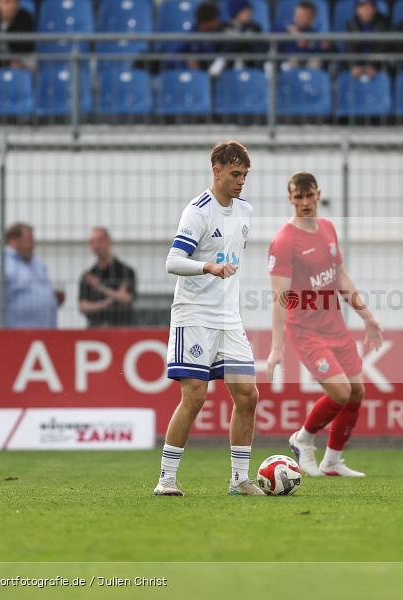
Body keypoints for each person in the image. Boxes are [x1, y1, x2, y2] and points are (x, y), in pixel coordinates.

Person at [153, 141, 263, 497]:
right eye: (235, 174)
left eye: (244, 175)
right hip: (195, 314)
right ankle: (166, 479)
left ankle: (239, 480)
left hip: (229, 318)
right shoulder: (198, 212)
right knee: (195, 396)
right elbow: (172, 261)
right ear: (217, 171)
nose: (241, 181)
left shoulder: (245, 211)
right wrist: (207, 267)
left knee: (247, 395)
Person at [266, 172, 383, 478]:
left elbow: (341, 277)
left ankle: (332, 462)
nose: (305, 202)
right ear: (290, 199)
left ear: (318, 194)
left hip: (335, 326)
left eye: (309, 195)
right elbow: (279, 298)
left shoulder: (328, 228)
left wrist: (368, 317)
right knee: (341, 392)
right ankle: (302, 439)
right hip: (306, 331)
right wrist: (276, 348)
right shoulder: (284, 242)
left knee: (356, 393)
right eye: (298, 197)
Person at [0, 223, 64, 329]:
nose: (33, 245)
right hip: (15, 333)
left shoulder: (37, 264)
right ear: (13, 240)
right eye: (29, 240)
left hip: (44, 332)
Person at [78, 227, 137, 328]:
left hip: (120, 328)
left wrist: (100, 288)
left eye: (100, 240)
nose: (97, 245)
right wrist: (107, 302)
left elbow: (126, 298)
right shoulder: (89, 275)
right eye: (92, 242)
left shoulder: (125, 271)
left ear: (109, 241)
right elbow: (83, 306)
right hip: (95, 329)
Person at [346, 0, 392, 77]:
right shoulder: (352, 23)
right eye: (362, 6)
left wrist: (373, 66)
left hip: (378, 65)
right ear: (357, 10)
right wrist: (354, 65)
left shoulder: (383, 22)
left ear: (375, 9)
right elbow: (350, 47)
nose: (365, 9)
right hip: (359, 63)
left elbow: (381, 48)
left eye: (369, 6)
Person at [280, 0, 331, 68]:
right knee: (292, 60)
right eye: (296, 15)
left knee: (315, 61)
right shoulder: (286, 30)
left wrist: (326, 48)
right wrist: (288, 29)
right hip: (290, 63)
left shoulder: (315, 34)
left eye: (302, 16)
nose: (297, 18)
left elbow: (323, 51)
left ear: (311, 18)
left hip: (309, 65)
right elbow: (272, 35)